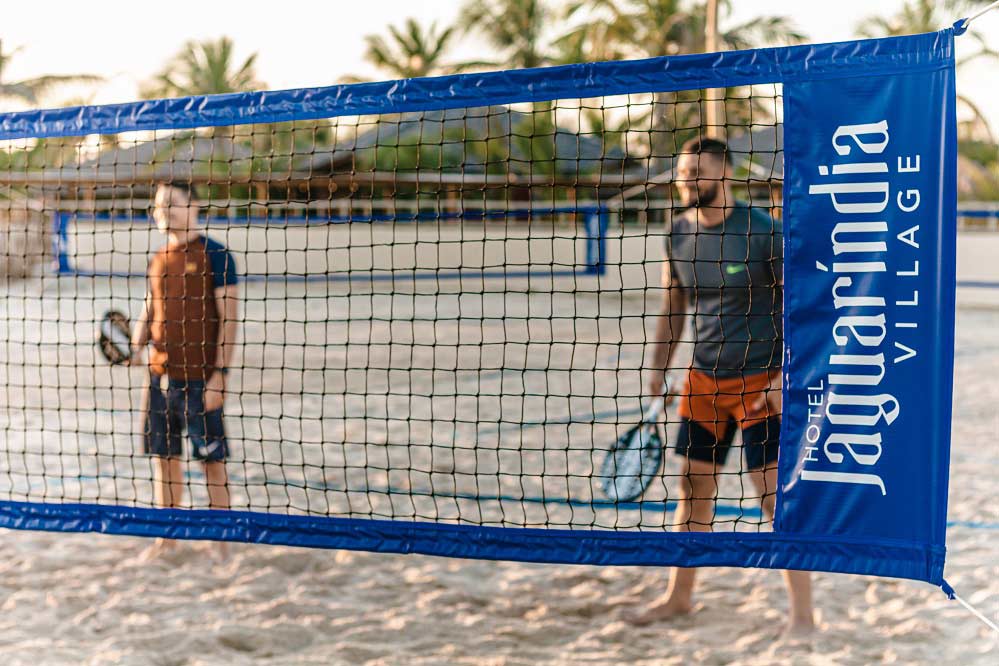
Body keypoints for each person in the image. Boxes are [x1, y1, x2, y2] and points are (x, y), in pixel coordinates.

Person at [632, 137, 815, 636]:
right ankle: (679, 598)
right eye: (682, 172)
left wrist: (784, 377)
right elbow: (675, 304)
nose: (687, 179)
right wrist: (658, 369)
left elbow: (799, 308)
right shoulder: (677, 232)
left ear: (724, 174)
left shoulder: (762, 231)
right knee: (692, 490)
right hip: (703, 379)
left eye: (698, 172)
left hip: (763, 382)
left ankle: (803, 616)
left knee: (774, 498)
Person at [130, 180, 240, 556]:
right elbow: (150, 308)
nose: (162, 211)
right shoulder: (159, 256)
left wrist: (220, 376)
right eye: (158, 205)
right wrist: (135, 344)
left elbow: (229, 319)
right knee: (164, 460)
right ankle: (168, 537)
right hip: (160, 377)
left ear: (194, 206)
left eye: (170, 204)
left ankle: (222, 541)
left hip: (200, 380)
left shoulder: (218, 255)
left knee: (212, 462)